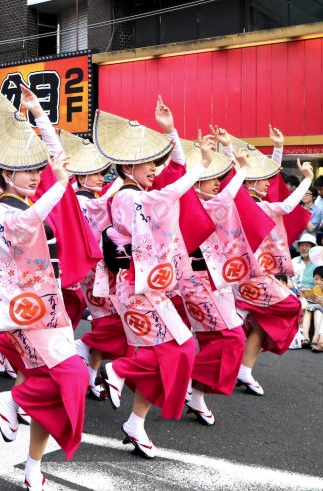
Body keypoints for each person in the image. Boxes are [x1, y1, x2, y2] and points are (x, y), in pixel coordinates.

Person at [0, 84, 86, 488]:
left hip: (47, 308)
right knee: (72, 376)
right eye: (28, 170)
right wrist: (58, 184)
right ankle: (10, 400)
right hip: (25, 312)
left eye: (38, 171)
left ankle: (33, 466)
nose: (37, 176)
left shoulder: (32, 200)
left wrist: (39, 114)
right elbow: (22, 228)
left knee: (49, 387)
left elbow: (60, 164)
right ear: (7, 173)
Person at [98, 97, 202, 458]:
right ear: (128, 166)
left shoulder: (139, 193)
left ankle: (135, 422)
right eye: (146, 164)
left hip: (146, 285)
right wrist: (195, 172)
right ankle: (119, 370)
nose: (154, 169)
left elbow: (171, 177)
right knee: (179, 348)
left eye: (153, 163)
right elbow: (169, 194)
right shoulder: (128, 197)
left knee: (177, 351)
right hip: (134, 286)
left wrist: (170, 131)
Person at [233, 141, 314, 396]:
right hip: (250, 276)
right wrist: (308, 179)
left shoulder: (250, 201)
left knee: (263, 320)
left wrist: (277, 148)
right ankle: (239, 319)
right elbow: (287, 206)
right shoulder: (254, 205)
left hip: (246, 273)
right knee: (291, 305)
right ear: (249, 182)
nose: (269, 184)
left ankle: (245, 369)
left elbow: (271, 181)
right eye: (263, 180)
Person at [59, 129, 124, 401]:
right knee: (112, 322)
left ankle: (89, 374)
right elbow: (104, 204)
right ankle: (81, 347)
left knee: (107, 321)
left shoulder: (86, 199)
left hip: (100, 271)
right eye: (97, 173)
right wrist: (124, 176)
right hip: (92, 273)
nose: (102, 177)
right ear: (82, 176)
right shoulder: (84, 202)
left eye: (104, 172)